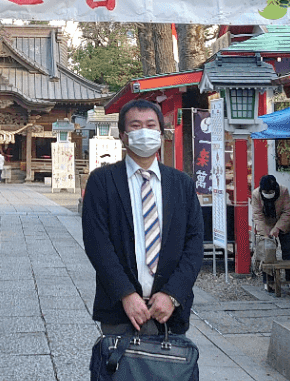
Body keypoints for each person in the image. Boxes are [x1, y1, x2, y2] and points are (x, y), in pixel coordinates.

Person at [82, 100, 203, 337]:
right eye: (136, 126)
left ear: (161, 133)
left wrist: (172, 294)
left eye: (151, 125)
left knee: (172, 362)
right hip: (119, 310)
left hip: (170, 312)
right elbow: (97, 243)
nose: (144, 132)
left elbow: (194, 243)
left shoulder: (182, 184)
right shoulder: (102, 181)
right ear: (123, 136)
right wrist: (125, 294)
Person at [251, 174, 290, 292]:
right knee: (268, 253)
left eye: (271, 191)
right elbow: (257, 216)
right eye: (266, 192)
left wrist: (277, 228)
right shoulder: (256, 194)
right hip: (266, 223)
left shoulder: (283, 190)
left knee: (287, 251)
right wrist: (265, 233)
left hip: (283, 223)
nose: (268, 193)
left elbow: (287, 212)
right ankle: (268, 281)